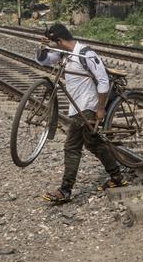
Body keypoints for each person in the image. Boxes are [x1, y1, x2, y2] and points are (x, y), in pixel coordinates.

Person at [35, 24, 126, 203]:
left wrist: (100, 109)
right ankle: (117, 178)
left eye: (55, 43)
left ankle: (65, 190)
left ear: (60, 41)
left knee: (71, 146)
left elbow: (103, 81)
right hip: (77, 107)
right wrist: (42, 47)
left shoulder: (86, 54)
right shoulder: (65, 54)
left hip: (88, 106)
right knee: (94, 144)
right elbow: (44, 61)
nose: (55, 47)